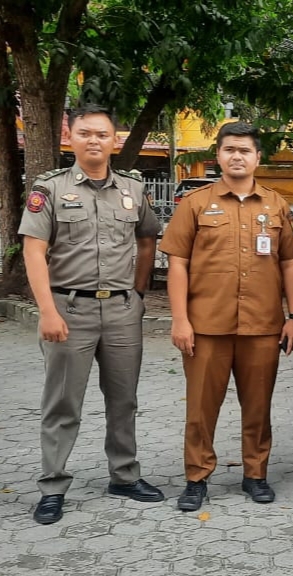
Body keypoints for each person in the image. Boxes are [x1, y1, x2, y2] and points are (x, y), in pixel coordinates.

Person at [19, 104, 165, 525]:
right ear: (72, 137)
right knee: (63, 403)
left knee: (124, 400)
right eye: (85, 133)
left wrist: (137, 294)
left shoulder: (133, 190)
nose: (94, 141)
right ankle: (53, 485)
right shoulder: (49, 189)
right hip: (69, 308)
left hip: (121, 311)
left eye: (102, 134)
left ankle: (124, 475)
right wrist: (46, 310)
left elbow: (146, 240)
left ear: (115, 140)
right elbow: (33, 251)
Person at [158, 122, 293, 511]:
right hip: (206, 326)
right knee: (200, 408)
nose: (237, 156)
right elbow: (178, 265)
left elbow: (290, 263)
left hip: (262, 326)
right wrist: (180, 320)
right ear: (218, 156)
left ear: (258, 157)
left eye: (245, 150)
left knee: (258, 405)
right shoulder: (195, 203)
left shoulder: (277, 206)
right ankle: (196, 477)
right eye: (229, 150)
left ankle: (255, 474)